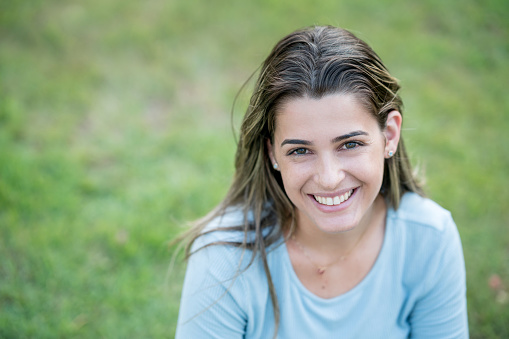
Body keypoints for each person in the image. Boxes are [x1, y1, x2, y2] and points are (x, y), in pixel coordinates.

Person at [175, 25, 468, 338]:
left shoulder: (429, 239)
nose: (329, 179)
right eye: (300, 150)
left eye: (350, 144)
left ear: (389, 135)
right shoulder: (223, 259)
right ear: (273, 153)